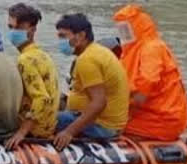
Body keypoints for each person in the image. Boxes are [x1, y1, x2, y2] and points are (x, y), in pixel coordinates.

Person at [113, 4, 187, 141]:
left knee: (108, 127)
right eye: (121, 29)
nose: (124, 33)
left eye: (127, 29)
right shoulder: (131, 50)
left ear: (139, 27)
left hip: (160, 119)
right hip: (147, 114)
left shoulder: (151, 48)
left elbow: (146, 84)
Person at [54, 13, 130, 150]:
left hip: (103, 127)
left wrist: (69, 132)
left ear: (81, 36)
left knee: (44, 120)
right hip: (112, 124)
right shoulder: (98, 51)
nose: (60, 41)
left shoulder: (87, 60)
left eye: (63, 36)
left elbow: (99, 102)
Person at [4, 3, 60, 149]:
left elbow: (42, 98)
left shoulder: (25, 60)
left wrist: (21, 133)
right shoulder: (43, 55)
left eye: (18, 28)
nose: (13, 32)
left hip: (35, 130)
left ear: (32, 30)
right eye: (10, 27)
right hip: (48, 126)